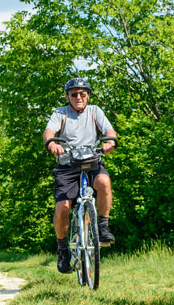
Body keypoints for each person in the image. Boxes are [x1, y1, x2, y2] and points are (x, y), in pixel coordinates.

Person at [42, 78, 118, 273]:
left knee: (104, 181)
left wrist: (110, 141)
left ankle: (102, 226)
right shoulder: (61, 113)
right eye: (74, 94)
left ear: (88, 95)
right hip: (67, 165)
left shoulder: (95, 112)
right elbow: (49, 131)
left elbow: (109, 130)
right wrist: (52, 143)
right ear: (67, 96)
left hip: (92, 162)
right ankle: (62, 249)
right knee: (63, 208)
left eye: (82, 93)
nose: (78, 97)